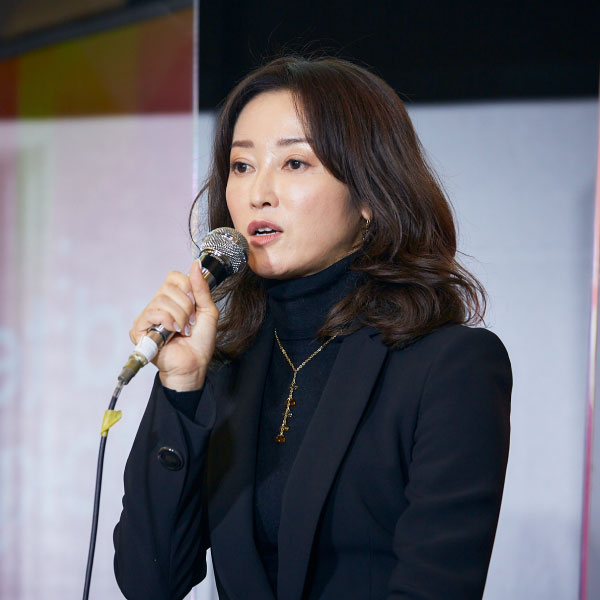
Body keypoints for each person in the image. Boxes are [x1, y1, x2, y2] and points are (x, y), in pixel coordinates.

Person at [113, 55, 512, 600]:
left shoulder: (449, 366)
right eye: (241, 166)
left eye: (295, 163)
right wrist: (180, 389)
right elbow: (148, 581)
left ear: (369, 194)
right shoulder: (225, 368)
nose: (258, 193)